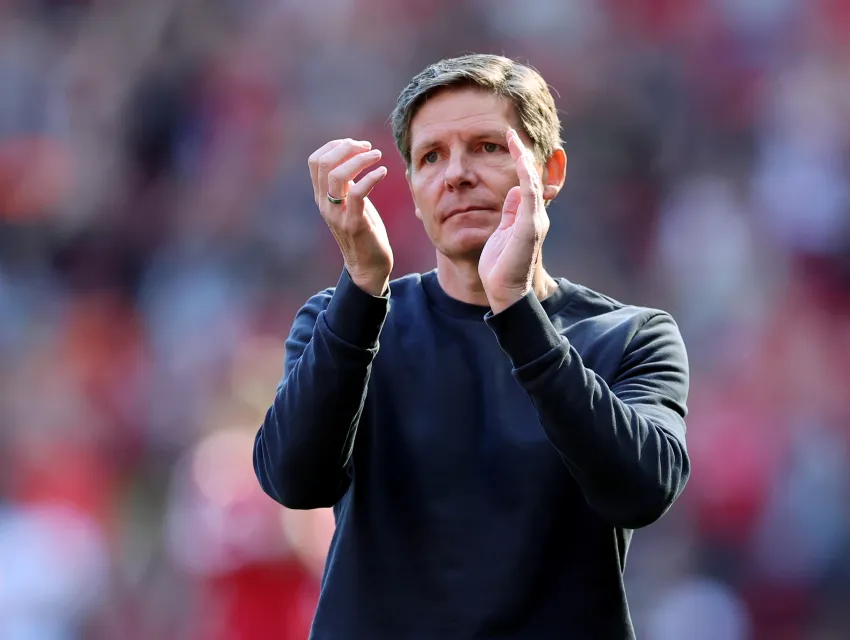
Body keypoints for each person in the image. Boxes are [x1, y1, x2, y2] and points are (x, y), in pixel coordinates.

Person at [253, 54, 691, 639]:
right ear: (411, 188)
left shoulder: (631, 337)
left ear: (550, 171)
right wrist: (360, 289)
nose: (456, 174)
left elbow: (641, 490)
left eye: (486, 146)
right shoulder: (347, 324)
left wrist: (514, 308)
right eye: (432, 157)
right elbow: (292, 480)